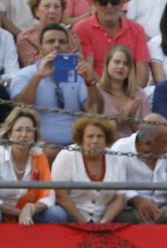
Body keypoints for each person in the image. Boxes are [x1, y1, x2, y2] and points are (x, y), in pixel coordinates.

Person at [0, 104, 67, 221]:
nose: (23, 135)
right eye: (18, 130)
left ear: (34, 135)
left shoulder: (39, 156)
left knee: (56, 213)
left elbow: (49, 196)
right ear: (10, 135)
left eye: (28, 130)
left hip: (26, 214)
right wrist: (20, 213)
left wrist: (30, 208)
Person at [11, 21, 104, 149]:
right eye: (50, 41)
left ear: (68, 47)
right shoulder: (25, 74)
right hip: (39, 145)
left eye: (62, 42)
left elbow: (95, 112)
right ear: (40, 46)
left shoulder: (77, 75)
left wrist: (90, 83)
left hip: (76, 144)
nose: (56, 45)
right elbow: (19, 107)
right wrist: (38, 77)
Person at [51, 113, 127, 221]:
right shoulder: (67, 155)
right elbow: (60, 196)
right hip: (72, 215)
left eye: (100, 136)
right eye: (90, 136)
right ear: (81, 139)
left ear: (106, 139)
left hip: (103, 216)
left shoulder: (116, 159)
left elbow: (120, 199)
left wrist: (104, 222)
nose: (95, 141)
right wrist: (83, 222)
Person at [114, 113, 167, 222]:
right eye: (165, 141)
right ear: (147, 144)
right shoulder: (120, 149)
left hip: (162, 207)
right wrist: (137, 199)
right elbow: (116, 185)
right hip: (132, 208)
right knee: (142, 220)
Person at [95, 41, 149, 136]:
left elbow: (147, 135)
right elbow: (94, 130)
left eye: (126, 64)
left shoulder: (139, 93)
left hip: (132, 148)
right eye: (117, 62)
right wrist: (121, 118)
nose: (121, 66)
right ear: (107, 64)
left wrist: (131, 119)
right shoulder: (96, 91)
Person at [17, 0, 81, 65]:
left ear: (62, 12)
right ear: (36, 11)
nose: (52, 11)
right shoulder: (26, 38)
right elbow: (34, 66)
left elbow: (77, 64)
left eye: (56, 7)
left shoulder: (72, 36)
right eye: (47, 6)